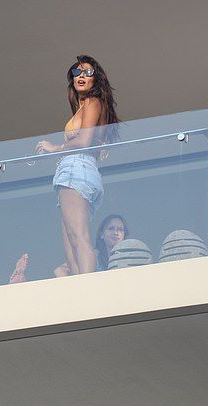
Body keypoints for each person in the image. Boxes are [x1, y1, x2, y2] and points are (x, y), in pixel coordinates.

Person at [9, 55, 120, 282]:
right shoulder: (83, 106)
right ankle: (79, 287)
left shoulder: (93, 102)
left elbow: (84, 141)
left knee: (78, 237)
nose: (81, 76)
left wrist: (55, 148)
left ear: (96, 78)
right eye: (77, 72)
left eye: (88, 72)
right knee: (70, 242)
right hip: (77, 170)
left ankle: (87, 286)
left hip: (77, 168)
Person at [9, 214, 129, 283]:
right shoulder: (94, 256)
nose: (116, 232)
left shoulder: (129, 257)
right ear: (102, 234)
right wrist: (75, 289)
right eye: (111, 228)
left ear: (124, 235)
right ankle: (22, 283)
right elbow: (60, 270)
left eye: (120, 229)